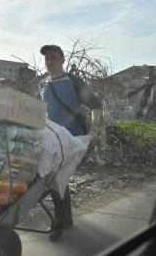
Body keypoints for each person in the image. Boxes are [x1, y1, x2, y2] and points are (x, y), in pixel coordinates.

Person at [39, 44, 103, 241]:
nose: (50, 61)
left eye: (54, 57)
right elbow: (42, 111)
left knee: (55, 177)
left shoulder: (73, 81)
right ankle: (66, 218)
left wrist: (94, 129)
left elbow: (96, 105)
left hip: (72, 138)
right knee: (58, 179)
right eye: (47, 58)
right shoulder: (43, 84)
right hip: (52, 139)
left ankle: (60, 222)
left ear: (62, 60)